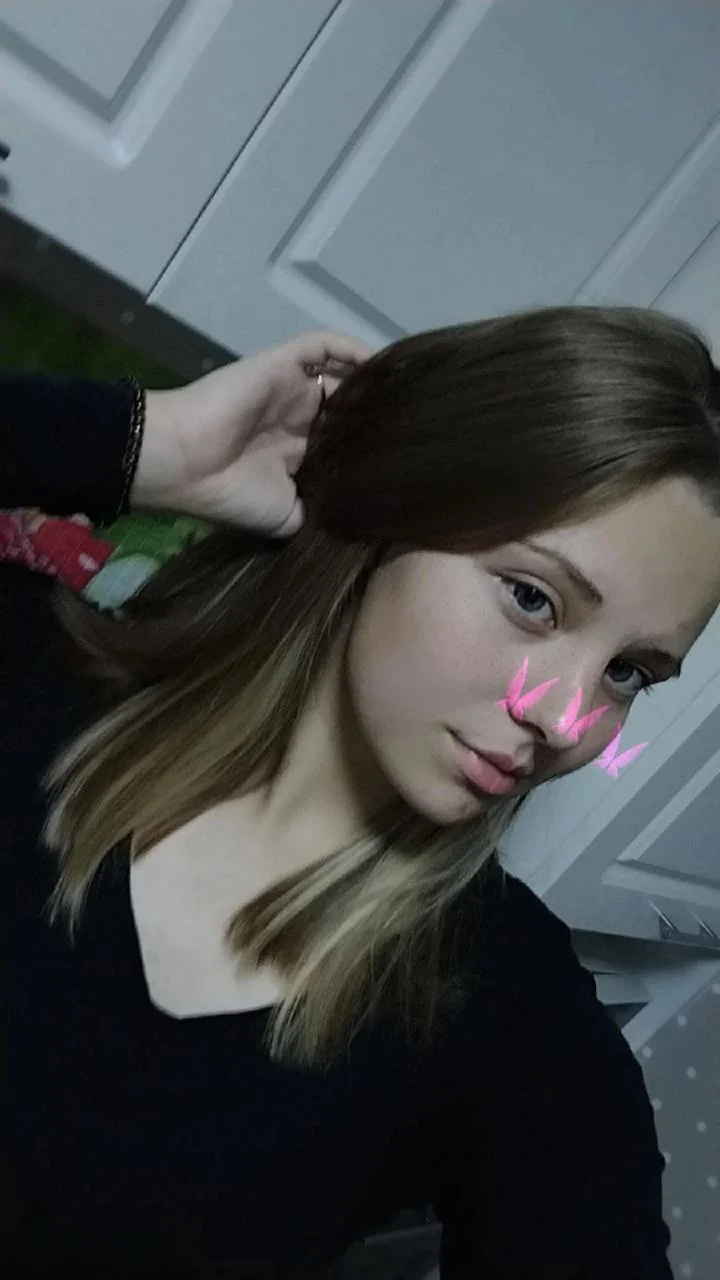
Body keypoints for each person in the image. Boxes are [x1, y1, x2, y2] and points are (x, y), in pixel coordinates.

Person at [3, 311, 719, 1279]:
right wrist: (141, 443)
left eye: (629, 672)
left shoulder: (503, 1009)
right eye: (534, 598)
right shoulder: (24, 668)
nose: (568, 719)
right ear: (390, 513)